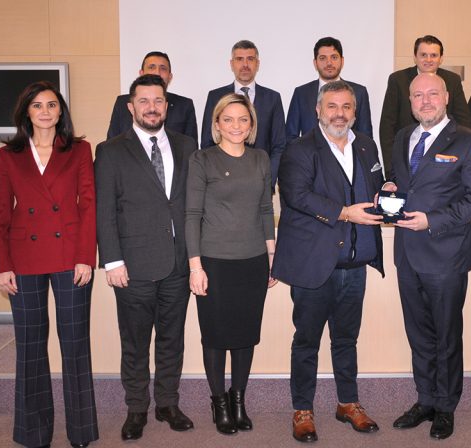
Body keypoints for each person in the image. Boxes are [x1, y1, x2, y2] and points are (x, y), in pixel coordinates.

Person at [272, 80, 385, 443]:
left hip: (355, 263)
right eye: (332, 106)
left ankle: (348, 403)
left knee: (346, 339)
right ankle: (302, 409)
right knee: (306, 340)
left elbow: (376, 185)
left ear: (355, 111)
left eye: (346, 106)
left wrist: (387, 192)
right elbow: (296, 195)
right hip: (313, 264)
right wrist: (345, 213)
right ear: (318, 110)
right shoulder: (299, 148)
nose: (340, 113)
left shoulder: (366, 145)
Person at [0, 81, 98, 448]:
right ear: (27, 112)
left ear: (60, 111)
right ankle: (34, 433)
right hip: (24, 258)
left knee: (75, 345)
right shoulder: (9, 155)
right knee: (30, 347)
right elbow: (0, 213)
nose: (45, 111)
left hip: (70, 256)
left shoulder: (79, 150)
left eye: (52, 105)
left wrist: (85, 257)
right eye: (37, 105)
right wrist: (2, 264)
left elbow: (88, 206)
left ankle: (81, 432)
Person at [385, 73, 471, 440]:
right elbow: (405, 183)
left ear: (446, 97)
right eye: (418, 95)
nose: (425, 100)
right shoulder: (403, 138)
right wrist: (390, 189)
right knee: (418, 335)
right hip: (407, 255)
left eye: (433, 93)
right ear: (410, 100)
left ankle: (446, 406)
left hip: (445, 256)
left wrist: (433, 220)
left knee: (446, 336)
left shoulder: (470, 141)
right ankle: (426, 399)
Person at [95, 74, 197, 441]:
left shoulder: (187, 146)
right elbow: (105, 210)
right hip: (132, 266)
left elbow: (191, 206)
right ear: (131, 107)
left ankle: (167, 403)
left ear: (167, 106)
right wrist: (112, 261)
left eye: (157, 101)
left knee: (172, 339)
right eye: (144, 101)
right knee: (135, 343)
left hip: (177, 264)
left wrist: (195, 259)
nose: (151, 108)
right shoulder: (110, 150)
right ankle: (136, 408)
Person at [186, 93, 277, 435]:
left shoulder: (261, 158)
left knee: (244, 335)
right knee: (215, 335)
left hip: (253, 261)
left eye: (243, 119)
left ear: (251, 124)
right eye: (228, 119)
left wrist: (272, 256)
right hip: (213, 262)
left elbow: (266, 210)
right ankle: (219, 403)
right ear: (217, 124)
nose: (236, 126)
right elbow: (192, 214)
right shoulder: (202, 159)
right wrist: (195, 267)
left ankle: (238, 401)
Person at [380, 35, 471, 175]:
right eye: (423, 55)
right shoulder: (398, 80)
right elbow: (387, 126)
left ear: (441, 58)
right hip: (408, 154)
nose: (428, 60)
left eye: (434, 55)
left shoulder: (453, 80)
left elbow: (463, 120)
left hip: (444, 156)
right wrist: (390, 171)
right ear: (415, 57)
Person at [201, 40, 286, 188]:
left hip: (261, 182)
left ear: (257, 64)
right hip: (223, 183)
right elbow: (207, 142)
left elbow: (279, 145)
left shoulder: (273, 98)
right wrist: (217, 179)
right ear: (231, 64)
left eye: (250, 59)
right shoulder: (215, 97)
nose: (245, 64)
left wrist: (268, 182)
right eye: (239, 59)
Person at [286, 36, 373, 143]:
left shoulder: (359, 92)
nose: (329, 63)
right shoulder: (301, 93)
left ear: (342, 61)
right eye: (323, 58)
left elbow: (366, 138)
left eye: (334, 57)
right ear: (315, 63)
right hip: (309, 153)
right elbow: (290, 137)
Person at [106, 51, 198, 143]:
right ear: (141, 73)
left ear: (170, 76)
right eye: (151, 67)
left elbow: (190, 146)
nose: (157, 73)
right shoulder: (123, 102)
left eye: (163, 68)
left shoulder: (184, 105)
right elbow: (112, 143)